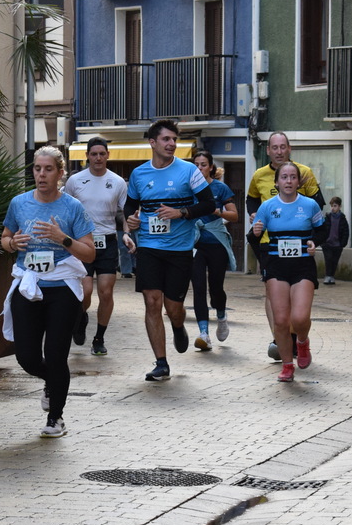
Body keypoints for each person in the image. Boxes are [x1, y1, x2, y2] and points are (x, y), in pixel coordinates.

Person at [0, 146, 95, 437]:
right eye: (37, 169)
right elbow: (5, 237)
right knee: (26, 357)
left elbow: (89, 253)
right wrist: (12, 244)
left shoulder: (72, 207)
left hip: (62, 289)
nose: (41, 174)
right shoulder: (19, 203)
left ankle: (56, 418)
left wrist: (62, 238)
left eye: (48, 169)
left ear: (60, 173)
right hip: (28, 286)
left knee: (55, 355)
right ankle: (51, 381)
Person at [124, 120, 217, 381]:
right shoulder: (139, 174)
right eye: (166, 139)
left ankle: (178, 325)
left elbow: (209, 204)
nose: (172, 144)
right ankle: (161, 363)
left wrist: (181, 212)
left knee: (173, 307)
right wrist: (130, 222)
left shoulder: (189, 171)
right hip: (149, 247)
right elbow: (130, 206)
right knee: (152, 301)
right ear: (152, 142)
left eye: (174, 139)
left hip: (180, 249)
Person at [246, 131, 324, 361]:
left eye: (283, 147)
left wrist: (311, 236)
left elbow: (318, 205)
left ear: (289, 149)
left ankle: (295, 336)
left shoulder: (304, 172)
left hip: (299, 245)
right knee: (272, 296)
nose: (279, 151)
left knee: (297, 305)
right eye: (275, 147)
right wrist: (254, 215)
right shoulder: (259, 175)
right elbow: (251, 198)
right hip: (269, 244)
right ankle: (279, 338)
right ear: (268, 150)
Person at [63, 137, 134, 355]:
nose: (98, 158)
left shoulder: (118, 182)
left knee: (106, 292)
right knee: (85, 292)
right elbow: (65, 209)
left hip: (107, 242)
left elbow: (126, 213)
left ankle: (99, 338)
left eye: (102, 154)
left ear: (108, 156)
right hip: (82, 242)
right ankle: (80, 317)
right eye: (94, 154)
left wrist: (127, 234)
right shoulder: (75, 181)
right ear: (87, 156)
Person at [189, 150, 238, 351]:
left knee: (216, 288)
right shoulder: (187, 187)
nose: (199, 168)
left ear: (210, 167)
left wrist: (218, 211)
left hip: (216, 243)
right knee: (198, 287)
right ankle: (204, 333)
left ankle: (221, 316)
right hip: (195, 244)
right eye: (196, 165)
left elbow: (234, 215)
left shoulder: (220, 188)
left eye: (203, 165)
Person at [321, 196, 349, 285]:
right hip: (327, 243)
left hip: (337, 244)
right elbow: (322, 230)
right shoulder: (327, 217)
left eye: (335, 206)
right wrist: (322, 241)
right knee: (328, 259)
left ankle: (332, 276)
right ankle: (328, 276)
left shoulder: (342, 219)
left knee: (334, 260)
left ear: (339, 206)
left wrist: (343, 243)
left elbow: (345, 231)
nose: (333, 208)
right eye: (332, 206)